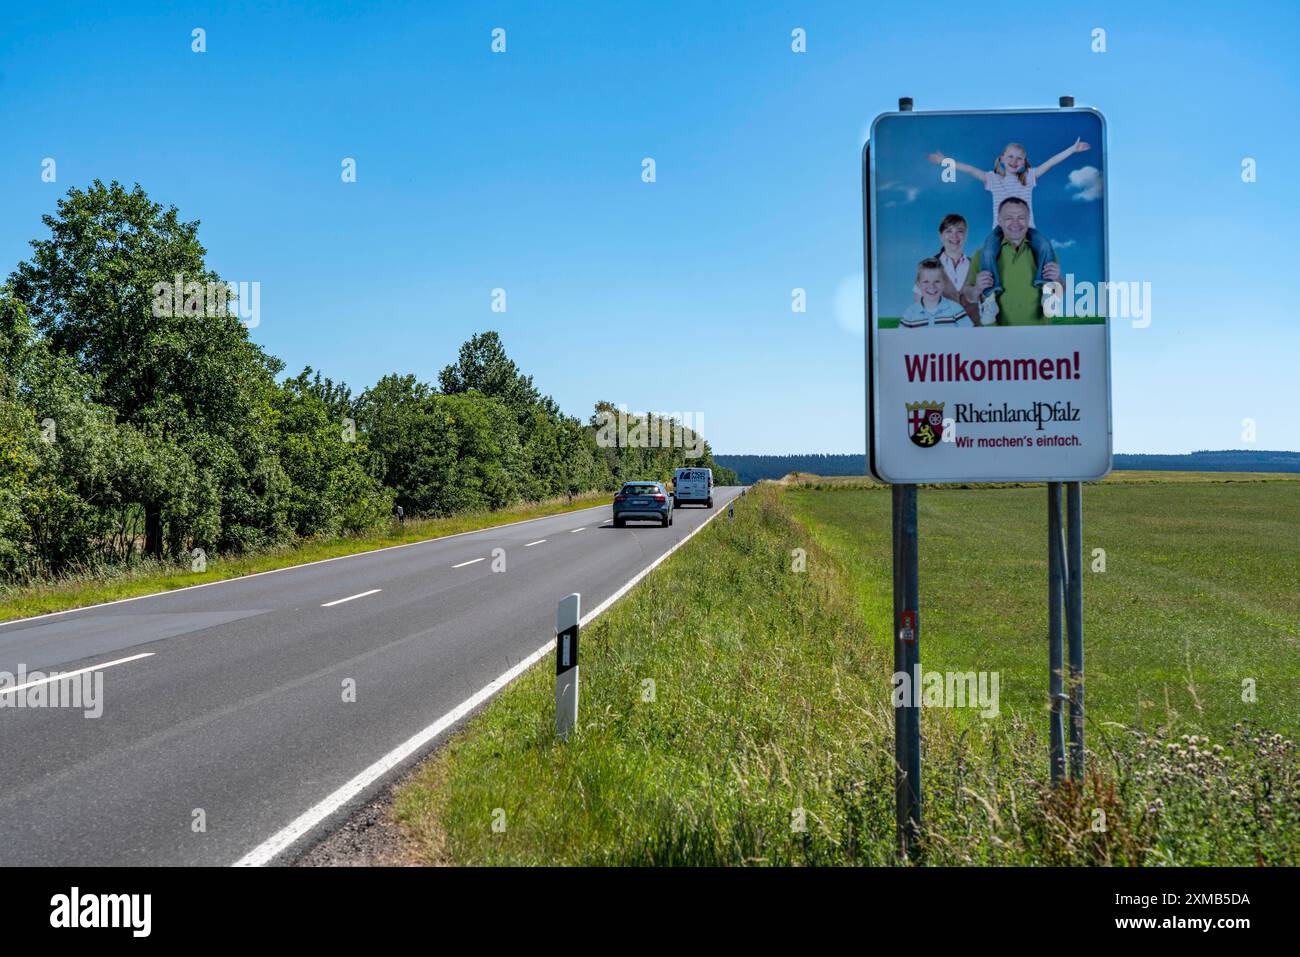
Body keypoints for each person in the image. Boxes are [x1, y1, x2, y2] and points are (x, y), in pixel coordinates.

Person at [927, 137, 1089, 321]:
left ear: (1024, 162)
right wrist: (945, 161)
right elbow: (971, 170)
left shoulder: (1028, 178)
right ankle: (989, 298)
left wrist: (1072, 149)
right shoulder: (993, 179)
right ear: (1002, 158)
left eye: (1019, 158)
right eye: (1010, 157)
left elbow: (1050, 163)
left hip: (1027, 228)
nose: (1014, 161)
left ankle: (1047, 290)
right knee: (988, 250)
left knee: (1044, 245)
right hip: (999, 229)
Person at [961, 197, 1061, 325]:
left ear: (1028, 219)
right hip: (996, 335)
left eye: (1021, 217)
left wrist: (1057, 281)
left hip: (1038, 333)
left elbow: (1061, 291)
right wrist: (977, 289)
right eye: (1008, 218)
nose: (1015, 223)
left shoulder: (1045, 253)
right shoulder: (982, 255)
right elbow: (967, 297)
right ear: (999, 221)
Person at [913, 213, 981, 325]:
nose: (954, 236)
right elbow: (918, 305)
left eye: (959, 231)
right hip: (941, 333)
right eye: (948, 231)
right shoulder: (928, 266)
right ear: (941, 236)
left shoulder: (976, 265)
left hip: (974, 333)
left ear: (966, 235)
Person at [902, 258, 972, 328]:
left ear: (944, 283)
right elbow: (902, 337)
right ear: (918, 284)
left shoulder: (956, 310)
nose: (932, 286)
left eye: (937, 281)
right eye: (926, 282)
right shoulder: (909, 314)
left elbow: (969, 335)